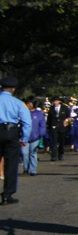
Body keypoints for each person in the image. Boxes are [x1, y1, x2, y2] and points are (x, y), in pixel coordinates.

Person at [0, 77, 31, 205]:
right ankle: (7, 194)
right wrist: (24, 138)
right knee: (11, 163)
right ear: (13, 89)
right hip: (11, 131)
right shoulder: (18, 102)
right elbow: (27, 122)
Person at [21, 99, 46, 176]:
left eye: (30, 103)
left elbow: (42, 125)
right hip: (24, 137)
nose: (28, 105)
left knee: (33, 153)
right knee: (24, 153)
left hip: (35, 137)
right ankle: (25, 168)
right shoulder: (22, 113)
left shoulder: (38, 114)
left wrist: (40, 133)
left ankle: (33, 170)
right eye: (27, 103)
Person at [47, 96, 69, 161]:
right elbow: (49, 119)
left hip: (62, 127)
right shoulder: (51, 109)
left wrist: (67, 123)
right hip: (54, 127)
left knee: (61, 142)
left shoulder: (64, 108)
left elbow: (68, 117)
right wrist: (48, 127)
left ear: (59, 101)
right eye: (54, 101)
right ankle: (53, 155)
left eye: (56, 101)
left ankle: (61, 154)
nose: (55, 102)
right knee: (54, 142)